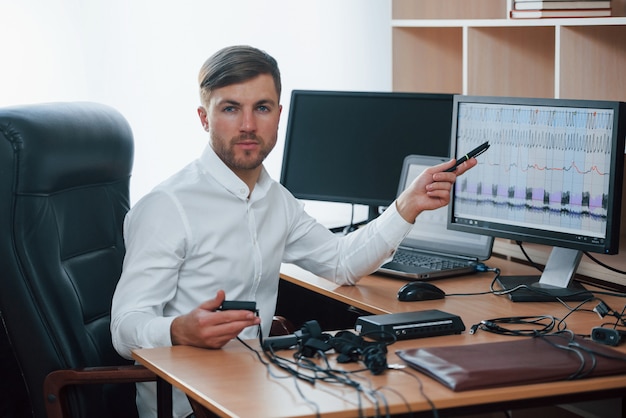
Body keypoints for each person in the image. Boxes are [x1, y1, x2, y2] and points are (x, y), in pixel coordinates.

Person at [110, 45, 476, 418]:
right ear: (204, 118)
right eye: (231, 108)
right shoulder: (166, 206)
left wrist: (407, 205)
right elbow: (125, 327)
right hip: (189, 407)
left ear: (279, 115)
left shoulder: (276, 200)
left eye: (262, 108)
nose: (249, 125)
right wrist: (178, 330)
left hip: (255, 387)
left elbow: (341, 262)